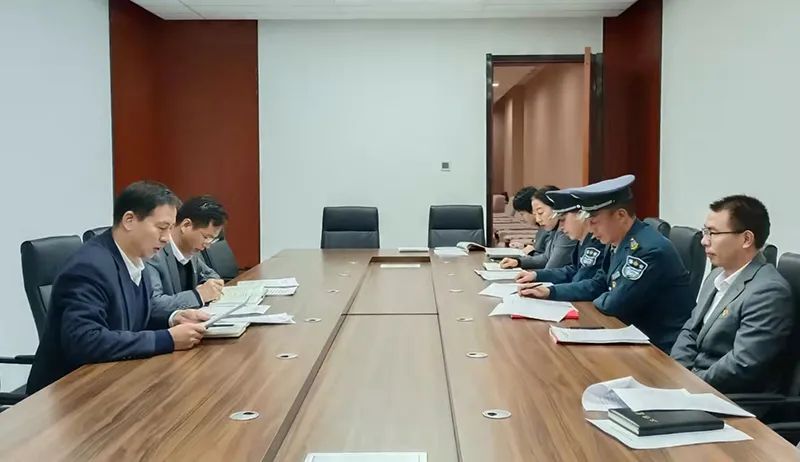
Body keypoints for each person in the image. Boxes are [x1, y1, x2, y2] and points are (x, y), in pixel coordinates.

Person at [27, 181, 209, 394]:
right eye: (161, 228)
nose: (166, 238)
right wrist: (167, 339)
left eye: (170, 229)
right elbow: (86, 340)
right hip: (65, 395)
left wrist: (174, 318)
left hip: (111, 380)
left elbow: (130, 316)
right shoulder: (89, 266)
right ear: (129, 220)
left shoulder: (135, 258)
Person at [671, 195, 794, 393]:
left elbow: (742, 363)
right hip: (693, 384)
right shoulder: (716, 275)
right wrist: (676, 372)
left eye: (713, 233)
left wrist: (691, 383)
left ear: (746, 239)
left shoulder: (768, 292)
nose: (704, 241)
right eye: (705, 232)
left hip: (728, 397)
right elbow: (690, 330)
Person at [568, 175, 695, 352]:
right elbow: (598, 283)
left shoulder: (648, 249)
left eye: (594, 222)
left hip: (659, 348)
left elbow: (614, 304)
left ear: (621, 215)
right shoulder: (618, 241)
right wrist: (550, 291)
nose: (590, 229)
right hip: (631, 333)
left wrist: (602, 294)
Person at [516, 189, 607, 301]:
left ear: (580, 215)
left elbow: (586, 282)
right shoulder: (584, 240)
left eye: (563, 220)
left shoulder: (596, 241)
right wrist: (536, 275)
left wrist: (551, 291)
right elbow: (573, 270)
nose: (561, 227)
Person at [147, 195, 227, 314]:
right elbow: (154, 305)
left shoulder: (191, 252)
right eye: (206, 237)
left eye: (212, 240)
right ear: (186, 225)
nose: (207, 245)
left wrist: (210, 287)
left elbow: (211, 275)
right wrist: (199, 295)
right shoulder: (153, 253)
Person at [501, 185, 576, 270]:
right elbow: (545, 258)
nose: (537, 219)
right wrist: (518, 262)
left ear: (557, 208)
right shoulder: (554, 228)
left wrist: (534, 274)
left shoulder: (565, 232)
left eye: (540, 213)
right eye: (535, 214)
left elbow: (550, 268)